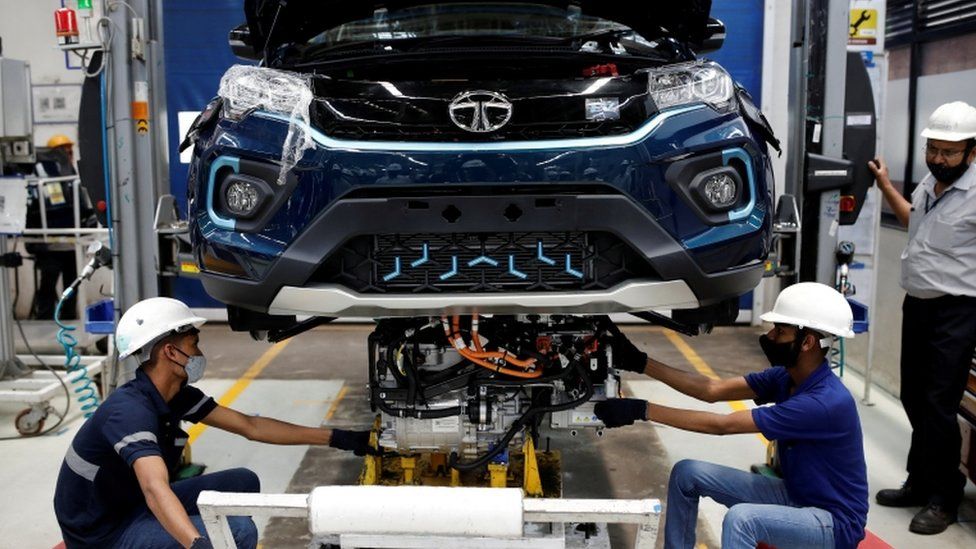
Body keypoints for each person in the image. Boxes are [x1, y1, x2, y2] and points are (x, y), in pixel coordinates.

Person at [53, 298, 378, 549]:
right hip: (105, 533)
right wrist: (197, 543)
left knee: (243, 480)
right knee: (238, 531)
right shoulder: (130, 411)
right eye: (193, 344)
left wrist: (341, 437)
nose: (199, 352)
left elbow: (251, 426)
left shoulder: (172, 396)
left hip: (129, 504)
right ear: (170, 351)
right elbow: (154, 488)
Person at [595, 282, 868, 549]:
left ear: (807, 342)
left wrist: (642, 409)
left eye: (780, 331)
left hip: (833, 523)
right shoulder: (787, 377)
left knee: (742, 520)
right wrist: (639, 362)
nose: (770, 337)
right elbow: (711, 389)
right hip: (795, 494)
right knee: (686, 474)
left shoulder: (822, 403)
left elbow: (722, 425)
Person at [868, 100, 976, 535]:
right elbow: (915, 222)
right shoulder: (931, 184)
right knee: (913, 395)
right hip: (919, 304)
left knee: (938, 403)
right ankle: (920, 481)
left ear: (972, 151)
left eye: (949, 151)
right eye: (933, 148)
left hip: (959, 309)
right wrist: (885, 185)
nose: (938, 158)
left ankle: (944, 498)